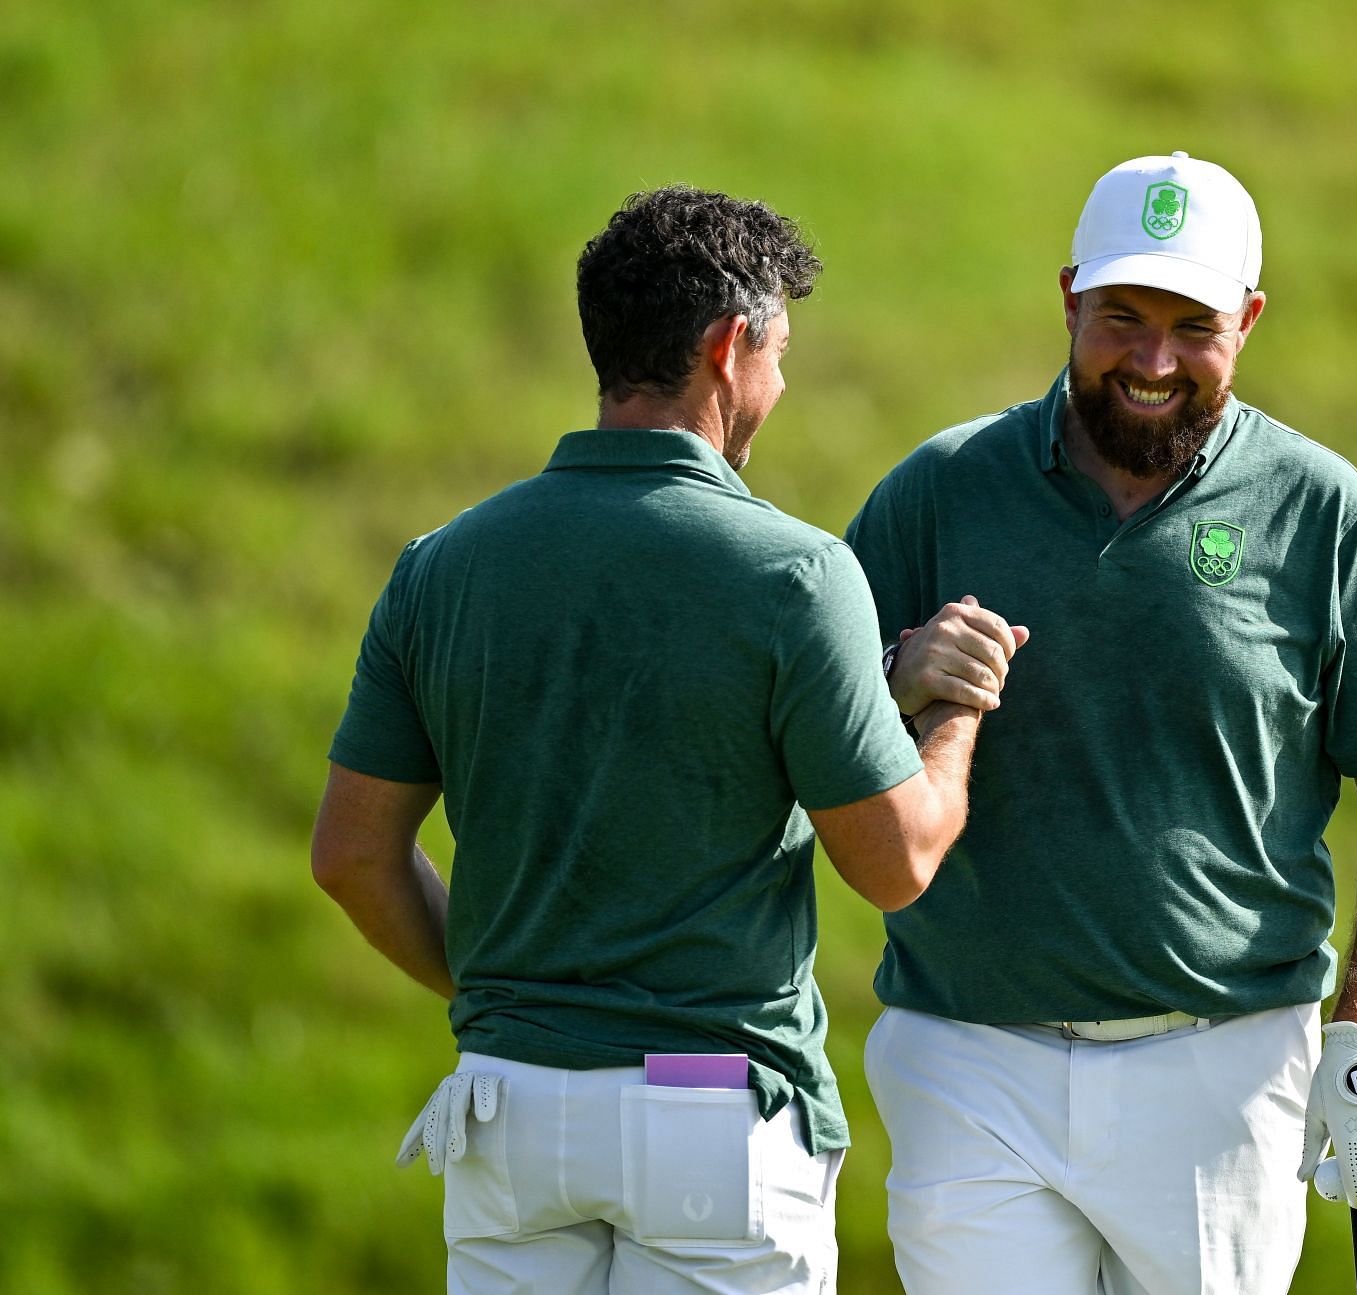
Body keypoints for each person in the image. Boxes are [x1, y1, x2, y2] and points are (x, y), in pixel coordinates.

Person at [311, 185, 1016, 1295]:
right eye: (780, 350)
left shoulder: (439, 567)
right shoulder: (796, 571)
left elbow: (351, 856)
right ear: (730, 348)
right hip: (712, 1116)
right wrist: (955, 713)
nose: (782, 381)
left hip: (506, 1104)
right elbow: (898, 859)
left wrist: (510, 995)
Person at [844, 152, 1357, 1294]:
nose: (1154, 359)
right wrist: (896, 668)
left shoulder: (1324, 511)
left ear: (1252, 320)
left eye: (1195, 325)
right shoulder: (935, 490)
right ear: (1070, 297)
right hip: (969, 1053)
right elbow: (805, 726)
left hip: (1221, 1065)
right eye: (1122, 317)